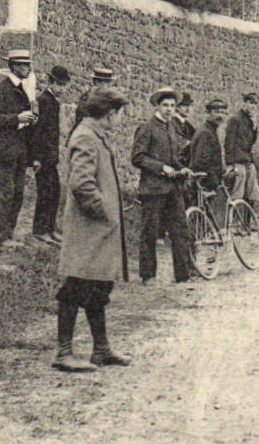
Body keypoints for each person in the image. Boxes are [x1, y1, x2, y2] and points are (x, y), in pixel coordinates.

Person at [53, 87, 132, 371]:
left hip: (98, 230)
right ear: (110, 115)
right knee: (75, 286)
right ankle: (63, 353)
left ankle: (101, 349)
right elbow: (81, 184)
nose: (121, 119)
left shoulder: (96, 136)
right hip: (89, 229)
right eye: (121, 113)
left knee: (97, 286)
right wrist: (105, 211)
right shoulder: (86, 137)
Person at [132, 88, 195, 283]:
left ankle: (183, 275)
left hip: (172, 188)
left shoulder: (171, 128)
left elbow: (173, 158)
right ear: (157, 107)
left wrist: (182, 169)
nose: (169, 109)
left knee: (180, 229)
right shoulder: (147, 127)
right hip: (153, 189)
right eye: (165, 105)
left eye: (172, 106)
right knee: (150, 231)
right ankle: (148, 275)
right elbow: (138, 157)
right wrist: (161, 168)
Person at [0, 48, 38, 247]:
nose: (28, 68)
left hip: (19, 151)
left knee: (18, 195)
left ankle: (8, 234)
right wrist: (17, 118)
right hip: (3, 151)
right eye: (24, 65)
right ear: (14, 66)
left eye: (28, 65)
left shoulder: (24, 90)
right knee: (4, 194)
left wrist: (29, 120)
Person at [30, 65, 71, 245]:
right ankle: (40, 230)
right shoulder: (44, 100)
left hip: (51, 157)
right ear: (50, 83)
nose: (61, 89)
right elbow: (38, 132)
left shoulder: (53, 101)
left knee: (54, 191)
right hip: (43, 157)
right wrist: (37, 158)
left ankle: (50, 228)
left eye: (63, 85)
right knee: (45, 192)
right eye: (59, 84)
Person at [188, 99, 230, 214]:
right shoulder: (205, 132)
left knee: (206, 214)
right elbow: (202, 161)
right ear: (208, 113)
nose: (220, 116)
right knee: (202, 213)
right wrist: (214, 180)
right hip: (204, 180)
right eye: (217, 112)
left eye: (223, 113)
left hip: (208, 178)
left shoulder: (211, 130)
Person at [225, 93, 259, 204]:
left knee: (253, 190)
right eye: (250, 103)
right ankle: (232, 218)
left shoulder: (251, 121)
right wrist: (230, 163)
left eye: (255, 104)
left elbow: (250, 143)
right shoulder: (235, 119)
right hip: (237, 161)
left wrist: (254, 128)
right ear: (244, 103)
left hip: (247, 159)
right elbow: (228, 143)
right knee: (238, 191)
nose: (252, 106)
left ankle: (248, 219)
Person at [172, 91, 197, 165]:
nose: (188, 109)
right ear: (177, 107)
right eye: (185, 106)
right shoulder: (171, 123)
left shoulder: (189, 127)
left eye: (190, 106)